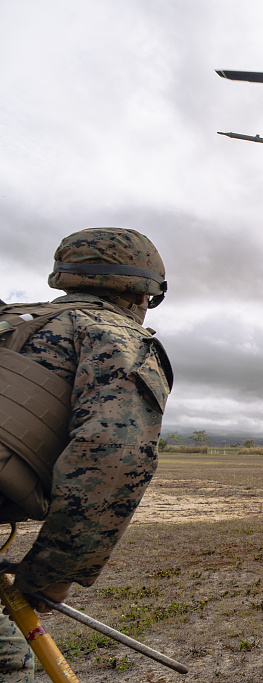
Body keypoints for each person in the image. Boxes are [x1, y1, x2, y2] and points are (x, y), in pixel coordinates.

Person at [0, 228, 172, 681]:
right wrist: (55, 570)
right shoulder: (113, 336)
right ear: (145, 294)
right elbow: (113, 455)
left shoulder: (11, 321)